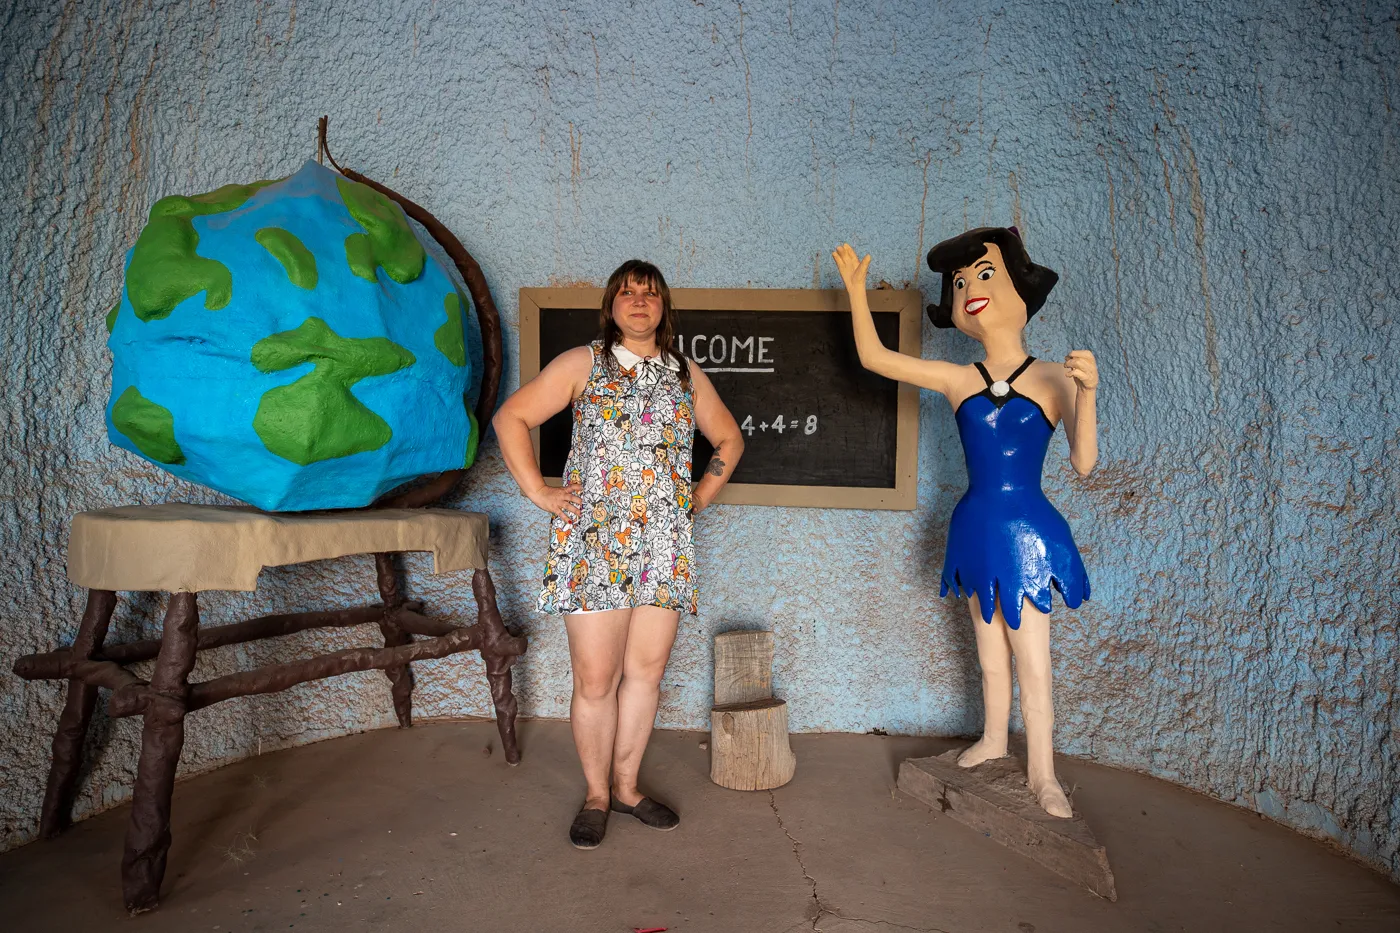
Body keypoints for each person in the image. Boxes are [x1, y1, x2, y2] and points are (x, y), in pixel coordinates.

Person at [832, 229, 1098, 818]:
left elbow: (1083, 462)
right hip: (976, 526)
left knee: (1034, 661)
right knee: (988, 654)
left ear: (1021, 290)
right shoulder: (958, 379)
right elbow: (876, 359)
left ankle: (1044, 775)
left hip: (1028, 531)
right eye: (959, 283)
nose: (969, 289)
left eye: (984, 275)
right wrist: (855, 293)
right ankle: (995, 739)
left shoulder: (1054, 376)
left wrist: (1089, 394)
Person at [493, 259, 744, 847]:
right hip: (593, 546)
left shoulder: (684, 372)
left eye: (650, 293)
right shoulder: (584, 363)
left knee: (646, 673)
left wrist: (699, 497)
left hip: (663, 546)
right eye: (628, 292)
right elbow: (512, 417)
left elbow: (730, 438)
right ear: (611, 305)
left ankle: (627, 787)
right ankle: (596, 794)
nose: (639, 301)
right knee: (596, 677)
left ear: (664, 309)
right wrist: (538, 492)